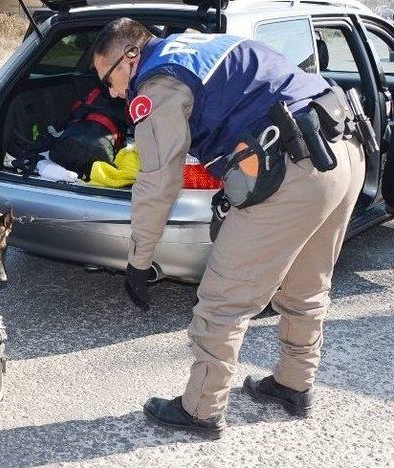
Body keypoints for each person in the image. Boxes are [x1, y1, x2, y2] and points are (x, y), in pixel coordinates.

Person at [92, 18, 365, 439]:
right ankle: (294, 384)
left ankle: (201, 409)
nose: (112, 92)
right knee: (307, 287)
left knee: (222, 302)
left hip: (290, 168)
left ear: (131, 57)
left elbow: (157, 180)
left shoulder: (157, 81)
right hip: (343, 150)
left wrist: (138, 259)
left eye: (109, 78)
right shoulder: (201, 45)